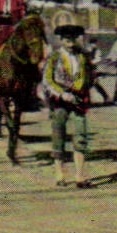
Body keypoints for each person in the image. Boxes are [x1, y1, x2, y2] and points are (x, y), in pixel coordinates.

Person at [43, 24, 94, 188]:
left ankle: (79, 175)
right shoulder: (54, 57)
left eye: (72, 38)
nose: (70, 41)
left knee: (81, 135)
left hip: (78, 100)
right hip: (60, 101)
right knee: (58, 135)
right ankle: (60, 174)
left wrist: (83, 91)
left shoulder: (83, 57)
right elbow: (47, 80)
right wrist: (62, 94)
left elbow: (90, 76)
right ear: (61, 40)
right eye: (66, 38)